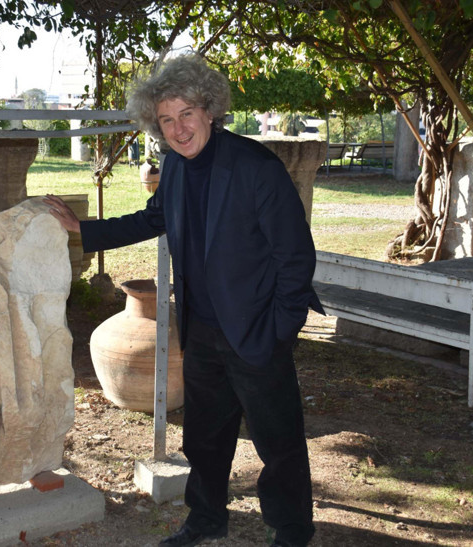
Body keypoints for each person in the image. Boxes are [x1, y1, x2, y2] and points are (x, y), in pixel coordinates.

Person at [44, 54, 322, 547]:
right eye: (166, 120)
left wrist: (281, 328)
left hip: (256, 330)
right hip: (201, 330)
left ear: (209, 110)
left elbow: (295, 255)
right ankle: (207, 518)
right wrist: (82, 228)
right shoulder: (172, 168)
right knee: (204, 438)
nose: (178, 129)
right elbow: (152, 219)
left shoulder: (255, 166)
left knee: (277, 440)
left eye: (186, 115)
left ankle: (293, 528)